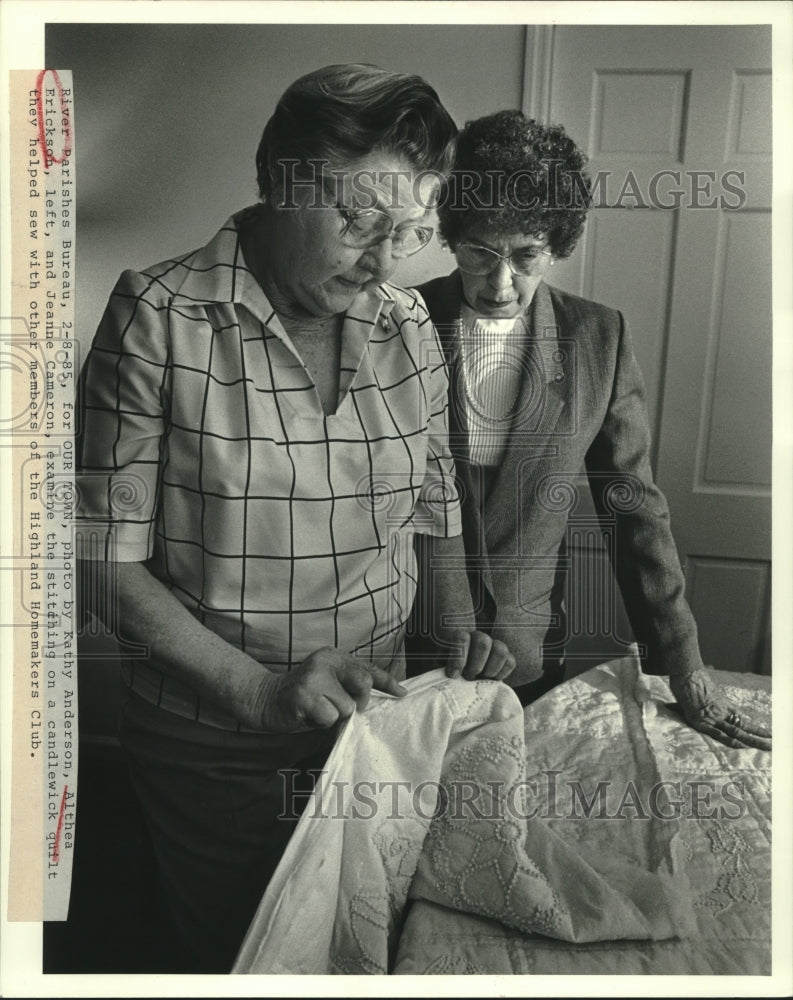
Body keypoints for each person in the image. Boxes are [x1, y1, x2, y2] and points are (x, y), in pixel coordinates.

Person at [74, 65, 515, 972]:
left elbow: (432, 504)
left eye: (408, 231)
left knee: (363, 947)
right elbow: (97, 562)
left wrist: (461, 633)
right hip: (218, 749)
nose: (381, 258)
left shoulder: (409, 325)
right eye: (357, 220)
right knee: (249, 955)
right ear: (278, 181)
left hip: (375, 730)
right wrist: (260, 692)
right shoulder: (158, 315)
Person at [414, 109, 772, 748]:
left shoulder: (598, 338)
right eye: (480, 252)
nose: (501, 284)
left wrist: (682, 663)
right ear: (452, 235)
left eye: (526, 256)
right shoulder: (399, 322)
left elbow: (633, 508)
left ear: (556, 245)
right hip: (402, 648)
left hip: (524, 657)